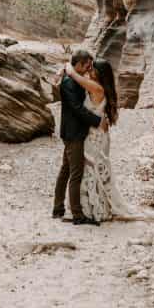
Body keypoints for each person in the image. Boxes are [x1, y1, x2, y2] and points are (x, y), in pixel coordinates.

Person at [61, 57, 135, 222]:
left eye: (92, 69)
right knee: (90, 169)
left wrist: (67, 66)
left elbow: (74, 74)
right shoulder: (99, 87)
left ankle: (91, 209)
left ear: (99, 74)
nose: (89, 70)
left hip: (94, 136)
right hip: (98, 134)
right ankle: (90, 207)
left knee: (89, 170)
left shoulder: (96, 88)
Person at [54, 49, 108, 225]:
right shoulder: (69, 83)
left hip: (72, 131)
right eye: (86, 65)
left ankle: (58, 208)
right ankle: (77, 215)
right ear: (78, 64)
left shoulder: (74, 78)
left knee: (66, 170)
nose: (88, 68)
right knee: (76, 173)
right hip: (74, 133)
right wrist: (97, 121)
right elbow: (77, 109)